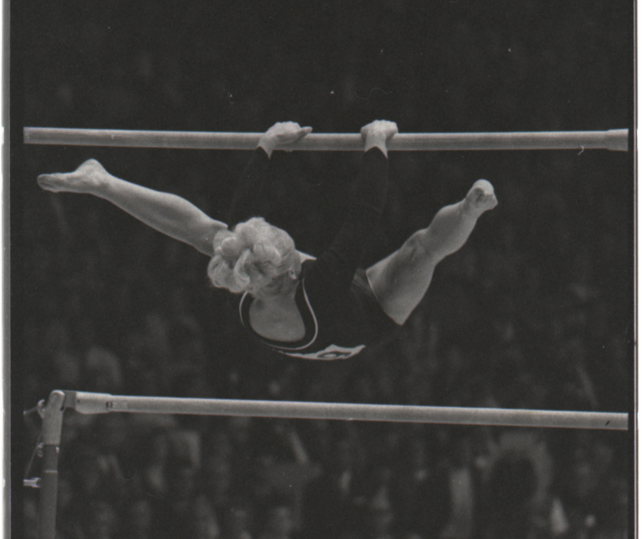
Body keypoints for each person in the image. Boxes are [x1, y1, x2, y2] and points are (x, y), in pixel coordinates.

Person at [37, 120, 497, 362]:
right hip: (370, 317)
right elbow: (363, 216)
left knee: (212, 235)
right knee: (420, 251)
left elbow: (242, 219)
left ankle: (102, 182)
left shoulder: (247, 272)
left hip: (311, 313)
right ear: (298, 266)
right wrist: (376, 143)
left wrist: (267, 145)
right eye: (295, 249)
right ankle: (470, 209)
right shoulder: (320, 281)